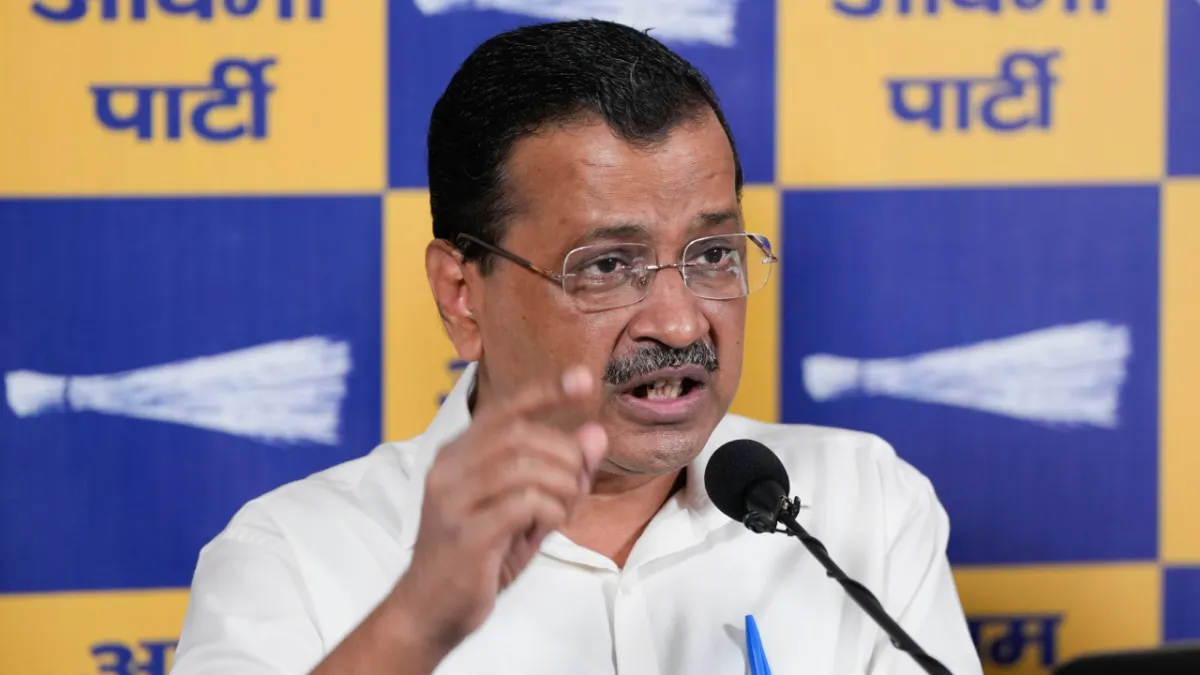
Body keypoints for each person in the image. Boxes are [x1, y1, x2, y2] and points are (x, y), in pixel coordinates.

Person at [170, 19, 984, 675]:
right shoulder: (293, 558)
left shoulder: (863, 505)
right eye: (606, 266)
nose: (680, 323)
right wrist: (414, 623)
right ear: (462, 293)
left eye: (712, 254)